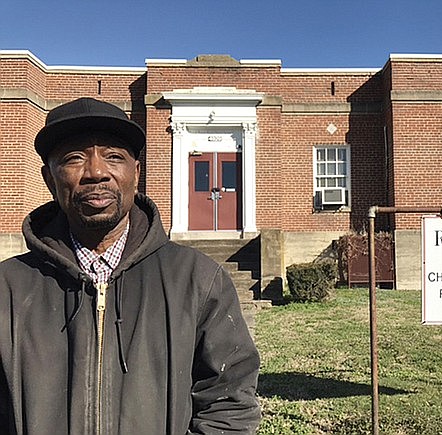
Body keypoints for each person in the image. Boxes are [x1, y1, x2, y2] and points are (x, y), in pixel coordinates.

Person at [0, 98, 261, 434]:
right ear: (49, 179)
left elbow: (229, 403)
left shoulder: (197, 280)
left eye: (114, 157)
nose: (96, 171)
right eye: (74, 158)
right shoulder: (8, 289)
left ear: (135, 174)